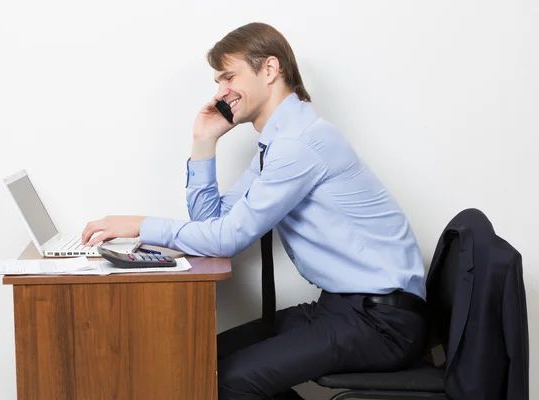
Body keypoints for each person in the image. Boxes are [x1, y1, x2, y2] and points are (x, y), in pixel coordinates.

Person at [81, 22, 427, 400]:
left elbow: (227, 239)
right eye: (217, 81)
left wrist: (138, 225)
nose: (220, 92)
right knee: (203, 359)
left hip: (381, 323)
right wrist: (204, 140)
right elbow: (212, 225)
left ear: (270, 70)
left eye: (229, 76)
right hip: (344, 308)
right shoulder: (278, 144)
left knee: (230, 380)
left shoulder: (299, 144)